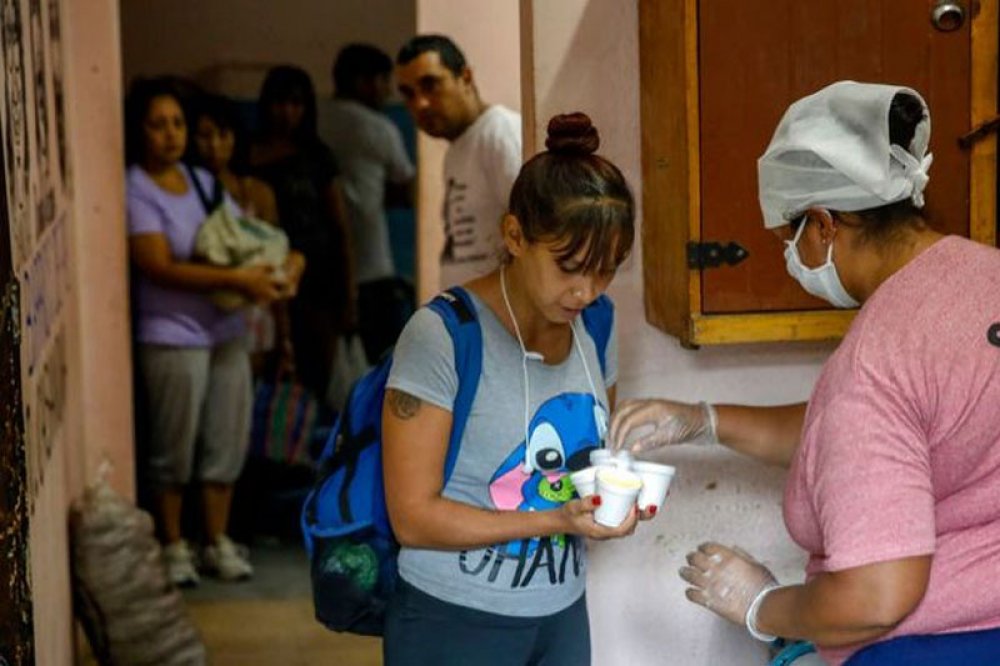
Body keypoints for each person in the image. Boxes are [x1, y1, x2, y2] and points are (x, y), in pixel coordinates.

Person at [609, 82, 1000, 664]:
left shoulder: (875, 365)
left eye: (784, 239)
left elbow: (875, 596)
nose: (788, 257)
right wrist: (705, 422)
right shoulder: (981, 274)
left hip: (934, 648)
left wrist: (762, 604)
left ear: (822, 224)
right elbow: (893, 437)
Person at [382, 113, 654, 665]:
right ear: (515, 236)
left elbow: (593, 461)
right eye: (569, 266)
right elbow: (411, 516)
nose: (585, 289)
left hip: (560, 616)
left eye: (605, 270)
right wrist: (556, 519)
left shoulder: (596, 326)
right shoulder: (442, 335)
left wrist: (621, 493)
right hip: (451, 620)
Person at [124, 78, 295, 585]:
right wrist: (233, 278)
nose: (171, 134)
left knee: (225, 436)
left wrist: (284, 264)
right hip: (171, 332)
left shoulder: (200, 180)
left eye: (177, 123)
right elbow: (156, 264)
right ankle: (173, 544)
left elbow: (245, 236)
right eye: (158, 124)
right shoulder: (136, 187)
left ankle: (216, 541)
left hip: (227, 327)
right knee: (172, 444)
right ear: (139, 131)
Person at [251, 65, 354, 399]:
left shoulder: (318, 157)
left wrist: (349, 296)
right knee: (269, 371)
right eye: (280, 103)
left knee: (317, 373)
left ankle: (311, 448)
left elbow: (340, 227)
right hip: (262, 274)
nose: (287, 113)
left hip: (318, 278)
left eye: (296, 104)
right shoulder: (248, 155)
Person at [395, 34, 522, 288]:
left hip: (502, 323)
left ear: (465, 78)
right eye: (409, 94)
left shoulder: (500, 134)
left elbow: (538, 235)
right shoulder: (459, 147)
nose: (420, 103)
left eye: (430, 85)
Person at [189, 93, 303, 375]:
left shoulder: (257, 191)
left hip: (254, 309)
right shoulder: (186, 192)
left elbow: (277, 260)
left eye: (223, 134)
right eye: (204, 135)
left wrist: (285, 337)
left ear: (235, 138)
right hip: (197, 316)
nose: (214, 145)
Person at [319, 43, 417, 363]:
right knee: (381, 366)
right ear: (364, 82)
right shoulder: (378, 127)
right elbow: (408, 190)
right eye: (384, 81)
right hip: (372, 265)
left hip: (324, 267)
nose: (388, 92)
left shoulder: (317, 119)